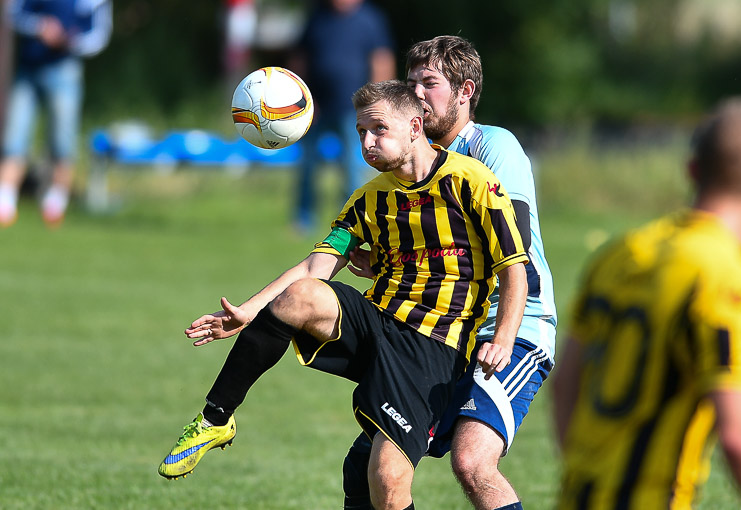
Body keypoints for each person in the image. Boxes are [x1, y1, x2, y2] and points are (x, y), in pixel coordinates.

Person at [158, 80, 531, 510]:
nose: (367, 143)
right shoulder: (368, 199)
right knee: (302, 295)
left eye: (378, 130)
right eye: (360, 133)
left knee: (385, 481)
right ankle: (215, 417)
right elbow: (317, 265)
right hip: (376, 324)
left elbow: (515, 268)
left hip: (433, 349)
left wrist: (503, 339)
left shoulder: (472, 182)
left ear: (415, 127)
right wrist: (250, 310)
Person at [340, 36, 556, 510]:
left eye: (429, 83)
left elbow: (508, 247)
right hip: (440, 330)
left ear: (465, 91)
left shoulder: (493, 147)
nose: (416, 93)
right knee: (366, 465)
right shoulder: (414, 163)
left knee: (472, 462)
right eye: (411, 82)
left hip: (511, 327)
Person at [552, 96, 741, 509]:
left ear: (692, 170)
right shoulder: (727, 280)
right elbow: (740, 439)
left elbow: (565, 386)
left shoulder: (619, 254)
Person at [0, 0, 112, 227]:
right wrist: (39, 27)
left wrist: (69, 40)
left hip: (64, 69)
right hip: (29, 66)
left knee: (62, 141)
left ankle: (55, 204)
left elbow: (98, 37)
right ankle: (5, 202)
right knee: (15, 136)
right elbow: (13, 13)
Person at [289, 0, 395, 232]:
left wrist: (376, 105)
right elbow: (300, 59)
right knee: (306, 166)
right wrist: (300, 99)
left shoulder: (370, 19)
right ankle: (303, 218)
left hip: (355, 111)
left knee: (351, 167)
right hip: (314, 109)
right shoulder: (316, 16)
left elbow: (382, 61)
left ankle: (349, 221)